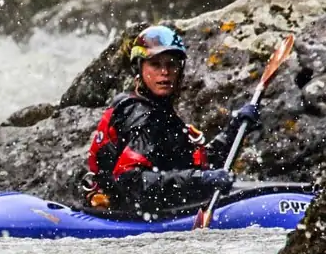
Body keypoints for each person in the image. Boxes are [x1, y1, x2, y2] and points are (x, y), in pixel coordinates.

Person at [83, 25, 262, 217]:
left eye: (171, 64)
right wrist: (201, 180)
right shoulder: (142, 116)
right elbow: (131, 181)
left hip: (140, 208)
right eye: (155, 64)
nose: (165, 72)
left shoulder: (157, 110)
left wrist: (234, 130)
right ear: (140, 68)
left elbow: (191, 165)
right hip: (121, 213)